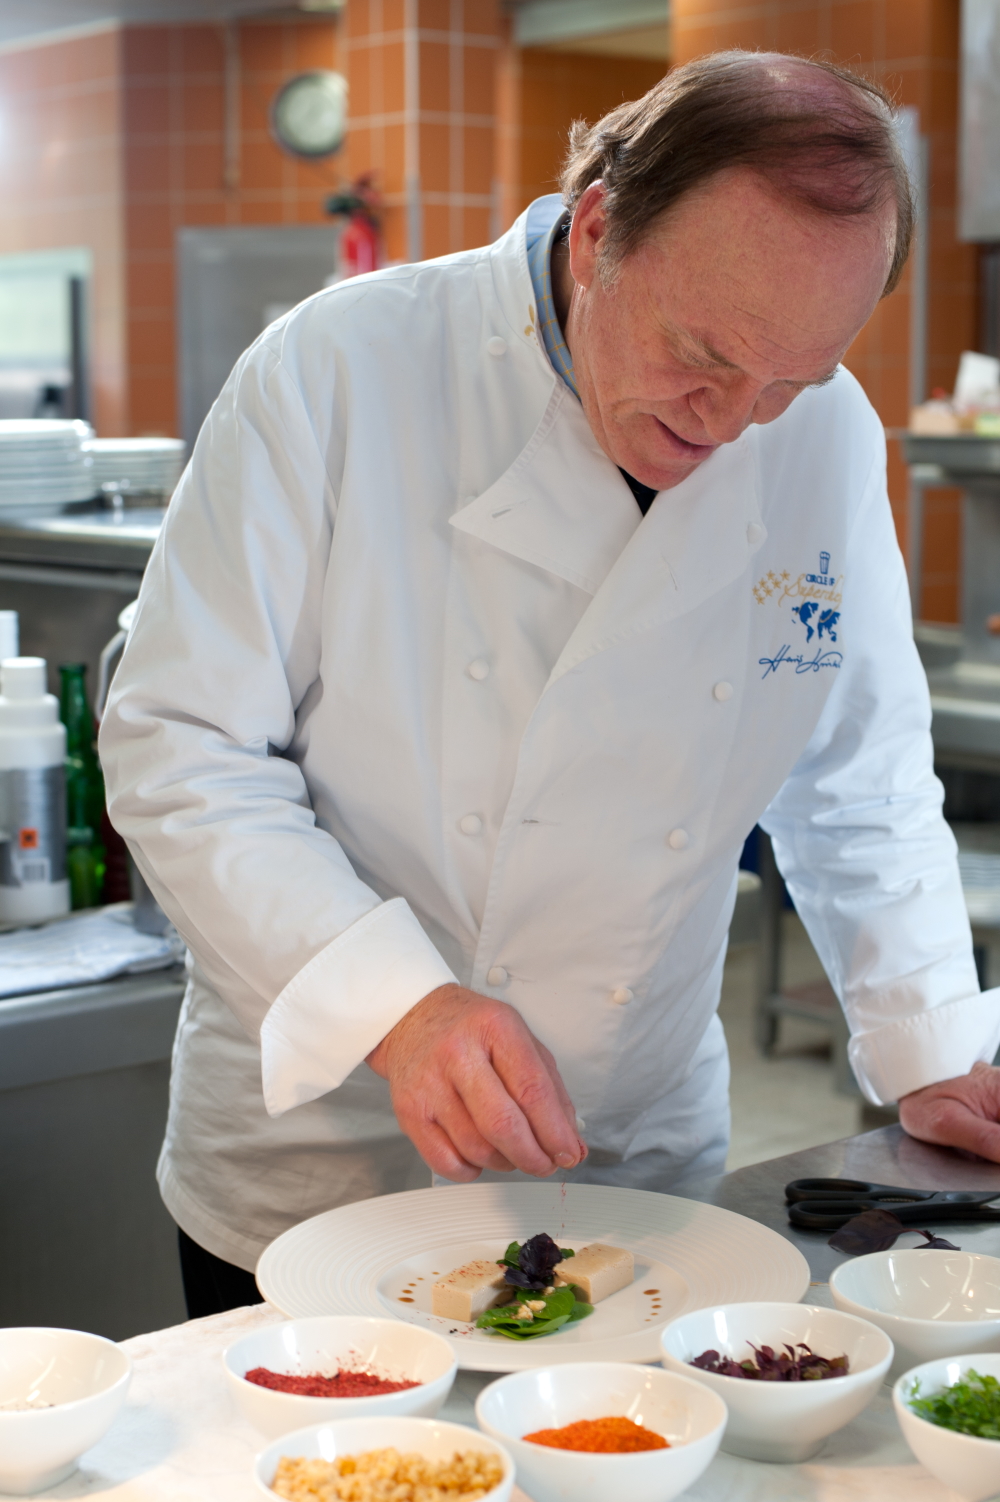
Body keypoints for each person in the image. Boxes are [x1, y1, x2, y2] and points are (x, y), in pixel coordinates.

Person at [101, 51, 1000, 1316]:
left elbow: (860, 782)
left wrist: (929, 1045)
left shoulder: (827, 431)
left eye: (784, 382)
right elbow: (180, 745)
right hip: (333, 1154)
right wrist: (400, 1008)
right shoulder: (340, 367)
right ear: (595, 228)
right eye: (700, 352)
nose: (729, 419)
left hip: (630, 1153)